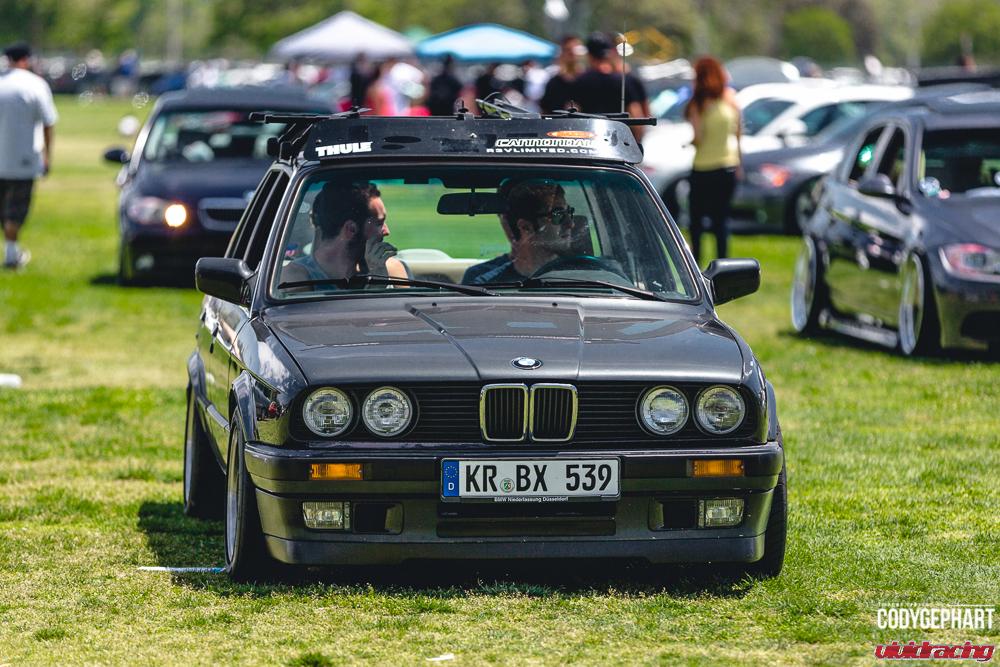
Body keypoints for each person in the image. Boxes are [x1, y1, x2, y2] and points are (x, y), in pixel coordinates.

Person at [281, 181, 408, 287]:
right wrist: (376, 285)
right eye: (379, 223)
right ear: (351, 229)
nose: (387, 231)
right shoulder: (296, 278)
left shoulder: (392, 270)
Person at [0, 42, 56, 270]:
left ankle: (11, 252)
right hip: (23, 158)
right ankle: (11, 254)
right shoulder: (35, 85)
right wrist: (48, 156)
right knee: (15, 210)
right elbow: (48, 122)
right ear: (25, 59)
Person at [684, 56, 741, 266]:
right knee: (721, 220)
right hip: (728, 164)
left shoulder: (699, 103)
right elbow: (738, 132)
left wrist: (690, 142)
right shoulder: (730, 98)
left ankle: (696, 263)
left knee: (696, 220)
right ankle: (724, 263)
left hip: (703, 166)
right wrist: (739, 163)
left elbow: (699, 137)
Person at [463, 181, 576, 284]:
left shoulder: (582, 278)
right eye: (558, 215)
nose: (571, 224)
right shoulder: (483, 284)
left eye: (569, 212)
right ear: (525, 227)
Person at [570, 32, 648, 142]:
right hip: (619, 144)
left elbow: (572, 115)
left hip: (589, 143)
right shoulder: (624, 81)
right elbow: (637, 116)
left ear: (589, 55)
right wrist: (637, 144)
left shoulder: (579, 81)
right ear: (609, 54)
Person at [540, 35, 583, 113]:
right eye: (568, 50)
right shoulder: (554, 83)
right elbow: (545, 110)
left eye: (576, 50)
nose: (572, 53)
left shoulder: (588, 81)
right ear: (562, 53)